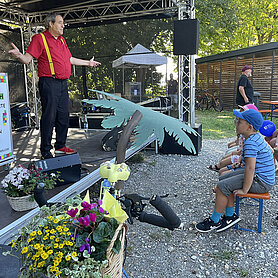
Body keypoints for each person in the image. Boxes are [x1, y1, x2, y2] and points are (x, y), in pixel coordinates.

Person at [8, 13, 101, 159]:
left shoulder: (62, 40)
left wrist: (87, 63)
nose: (63, 25)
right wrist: (19, 55)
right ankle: (45, 151)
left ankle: (60, 147)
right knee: (49, 117)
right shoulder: (40, 39)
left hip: (62, 83)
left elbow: (69, 59)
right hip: (49, 83)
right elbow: (27, 59)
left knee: (63, 116)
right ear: (51, 24)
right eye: (60, 22)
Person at [196, 109, 275, 233]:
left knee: (222, 186)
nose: (236, 123)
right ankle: (229, 216)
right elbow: (249, 164)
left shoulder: (251, 143)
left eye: (239, 122)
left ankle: (214, 221)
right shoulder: (254, 137)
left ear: (250, 127)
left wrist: (244, 189)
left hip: (261, 181)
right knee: (223, 179)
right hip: (259, 177)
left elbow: (250, 168)